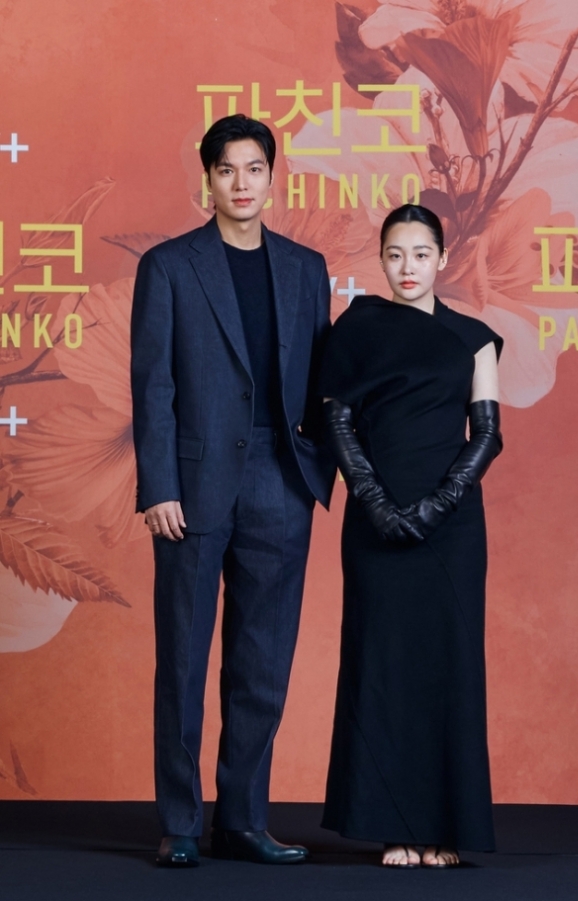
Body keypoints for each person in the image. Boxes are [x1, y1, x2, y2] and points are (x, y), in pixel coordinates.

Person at [130, 114, 334, 868]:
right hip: (194, 486)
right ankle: (181, 821)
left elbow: (321, 379)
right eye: (227, 170)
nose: (242, 183)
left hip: (281, 482)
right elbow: (152, 386)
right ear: (206, 181)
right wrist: (159, 485)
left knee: (262, 661)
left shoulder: (306, 267)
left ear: (273, 178)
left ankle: (243, 818)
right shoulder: (171, 267)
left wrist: (317, 469)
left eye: (254, 169)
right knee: (182, 658)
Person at [318, 204, 503, 868]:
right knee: (384, 667)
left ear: (443, 258)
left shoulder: (474, 338)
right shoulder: (357, 328)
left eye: (420, 254)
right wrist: (377, 504)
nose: (406, 267)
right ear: (381, 257)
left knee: (448, 668)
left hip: (451, 531)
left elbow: (487, 435)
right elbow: (337, 422)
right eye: (394, 254)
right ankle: (395, 824)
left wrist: (434, 509)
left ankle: (444, 829)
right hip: (376, 525)